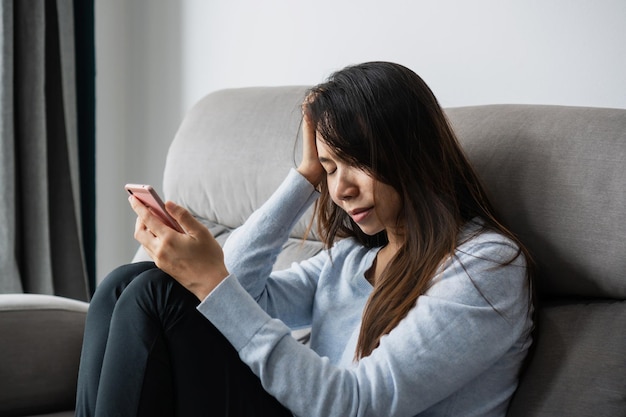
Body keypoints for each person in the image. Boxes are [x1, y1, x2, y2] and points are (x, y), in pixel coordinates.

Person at [76, 61, 534, 417]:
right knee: (125, 283)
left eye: (357, 162)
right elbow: (237, 291)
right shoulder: (351, 260)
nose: (341, 189)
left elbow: (356, 405)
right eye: (331, 169)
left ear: (410, 152)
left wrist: (211, 282)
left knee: (155, 294)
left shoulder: (486, 266)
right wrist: (304, 178)